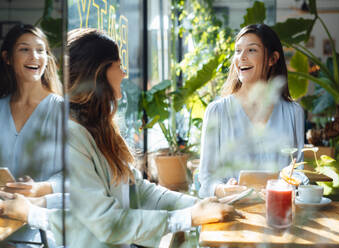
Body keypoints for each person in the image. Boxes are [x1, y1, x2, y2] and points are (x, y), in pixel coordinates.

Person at [0, 28, 239, 248]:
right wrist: (189, 217)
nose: (124, 73)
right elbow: (106, 222)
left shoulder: (102, 129)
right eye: (119, 65)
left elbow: (139, 191)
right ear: (99, 73)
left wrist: (202, 204)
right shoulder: (71, 133)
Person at [198, 24, 305, 198]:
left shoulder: (294, 113)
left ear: (272, 58)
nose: (242, 58)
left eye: (251, 50)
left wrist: (284, 186)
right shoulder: (217, 111)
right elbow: (207, 179)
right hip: (233, 215)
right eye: (238, 51)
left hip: (280, 212)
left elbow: (299, 171)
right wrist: (222, 189)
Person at [0, 24, 63, 246]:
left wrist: (39, 187)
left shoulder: (62, 112)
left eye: (40, 50)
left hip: (43, 233)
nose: (34, 56)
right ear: (7, 58)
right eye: (24, 49)